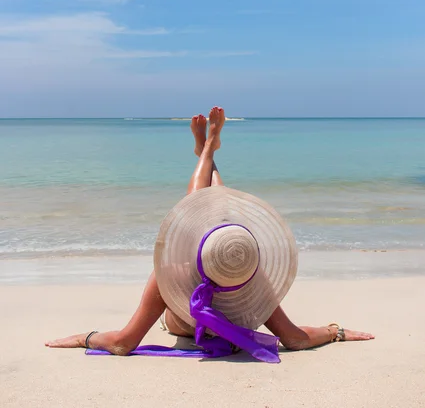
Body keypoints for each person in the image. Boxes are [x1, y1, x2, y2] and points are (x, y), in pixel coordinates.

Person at [46, 106, 374, 357]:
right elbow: (295, 339)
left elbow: (122, 343)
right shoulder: (253, 279)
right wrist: (335, 331)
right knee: (215, 210)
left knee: (200, 208)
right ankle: (207, 151)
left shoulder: (170, 276)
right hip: (234, 305)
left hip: (181, 325)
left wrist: (82, 338)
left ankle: (206, 151)